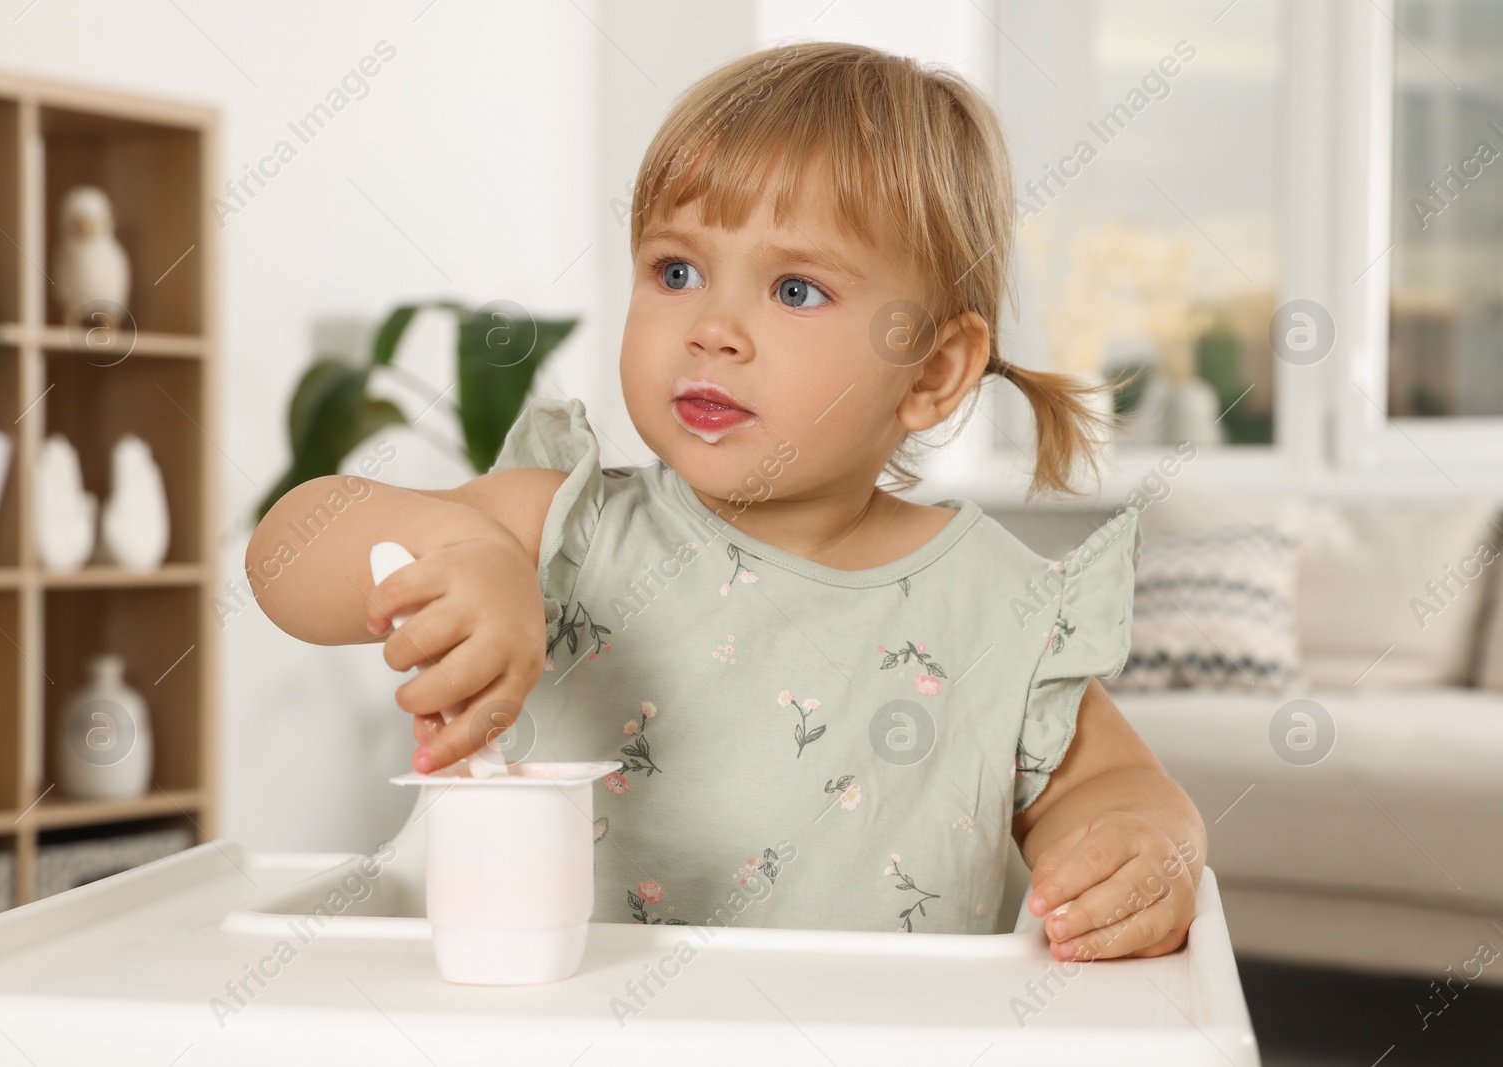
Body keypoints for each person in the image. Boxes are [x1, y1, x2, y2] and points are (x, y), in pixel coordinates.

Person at [249, 41, 1206, 961]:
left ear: (933, 369)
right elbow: (288, 550)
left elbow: (1112, 784)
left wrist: (1141, 843)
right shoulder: (564, 529)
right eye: (676, 271)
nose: (713, 327)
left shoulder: (1002, 610)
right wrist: (454, 546)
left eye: (795, 288)